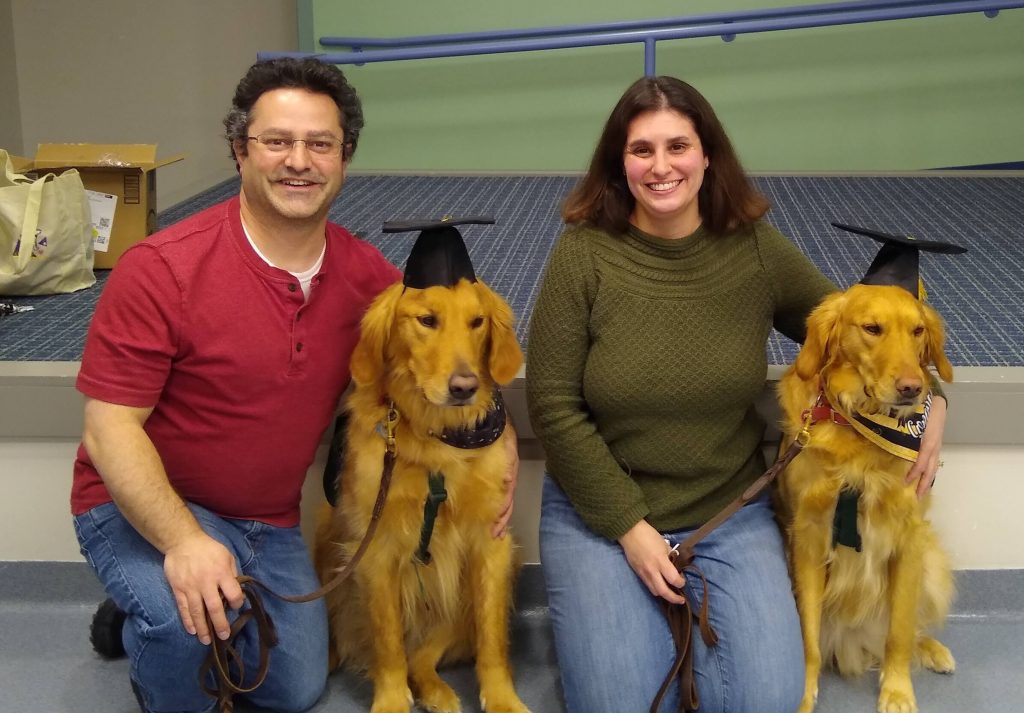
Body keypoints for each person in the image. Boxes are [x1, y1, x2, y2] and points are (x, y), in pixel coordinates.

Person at [72, 57, 517, 713]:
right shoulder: (160, 268)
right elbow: (109, 430)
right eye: (276, 141)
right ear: (240, 150)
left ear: (343, 158)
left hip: (266, 522)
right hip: (149, 506)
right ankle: (154, 604)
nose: (298, 161)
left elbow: (443, 350)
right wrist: (185, 542)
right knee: (181, 627)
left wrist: (497, 434)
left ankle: (206, 589)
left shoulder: (369, 280)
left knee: (297, 685)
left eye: (320, 144)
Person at [525, 75, 947, 713]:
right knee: (622, 703)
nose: (662, 166)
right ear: (620, 162)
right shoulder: (582, 256)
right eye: (642, 150)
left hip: (727, 507)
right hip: (602, 512)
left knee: (768, 700)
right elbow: (553, 405)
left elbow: (862, 327)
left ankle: (688, 626)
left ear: (708, 155)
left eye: (679, 146)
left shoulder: (753, 250)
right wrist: (630, 528)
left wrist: (934, 400)